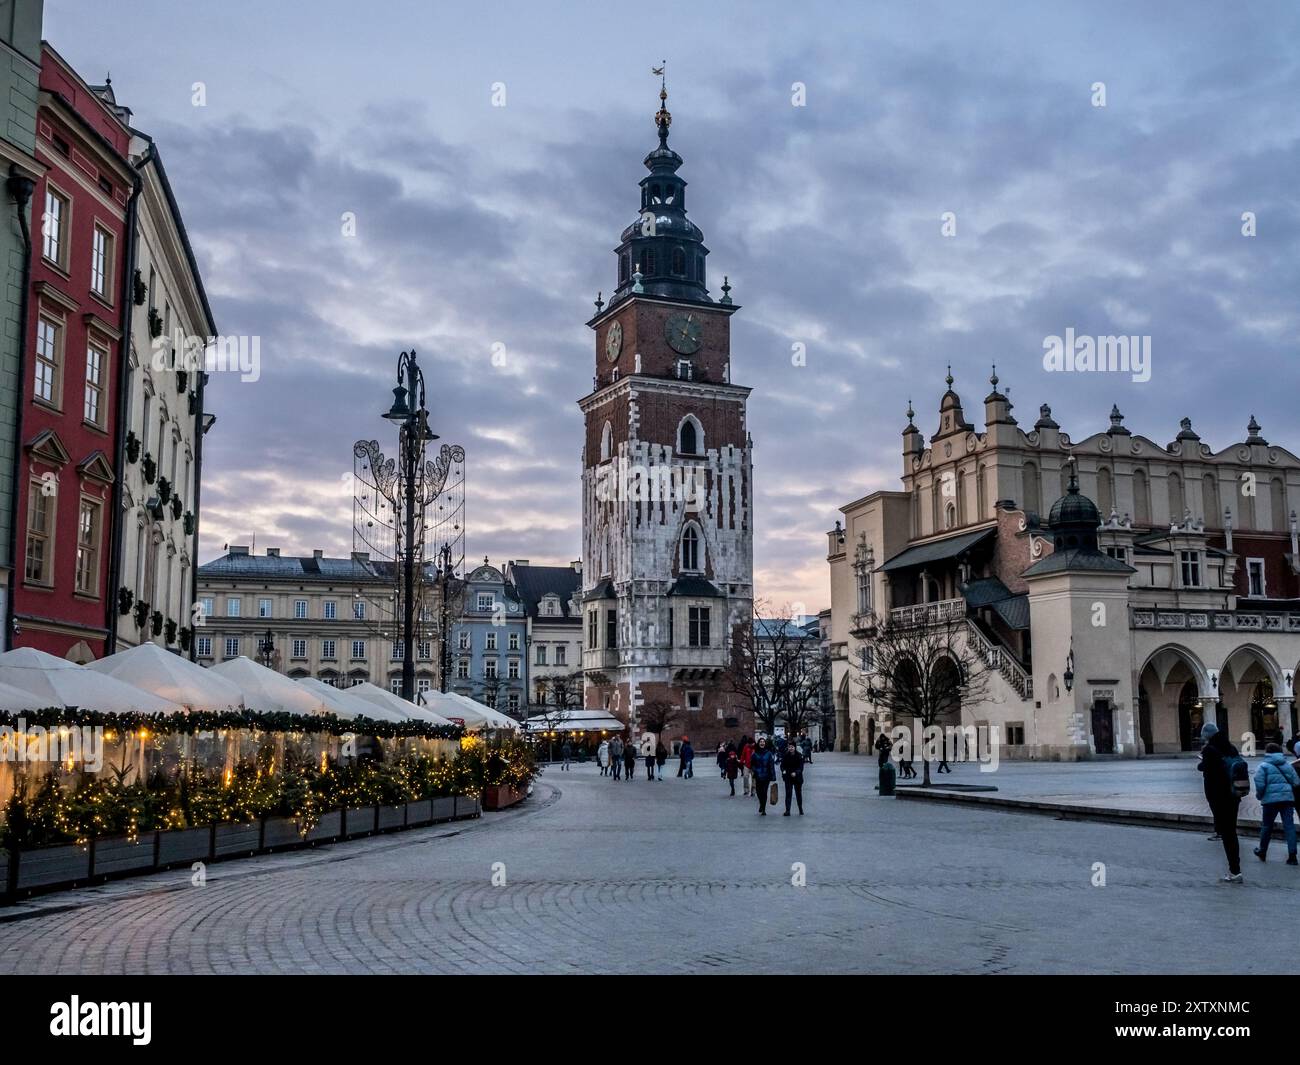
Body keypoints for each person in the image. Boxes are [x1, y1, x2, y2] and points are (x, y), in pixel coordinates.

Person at [1198, 721, 1243, 882]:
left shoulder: (1210, 750)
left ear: (1207, 736)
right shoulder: (1230, 747)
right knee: (1231, 832)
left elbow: (1206, 768)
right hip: (1233, 795)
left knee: (1227, 834)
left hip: (1219, 796)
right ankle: (1235, 869)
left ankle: (1235, 871)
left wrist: (1202, 761)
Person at [1253, 742, 1299, 865]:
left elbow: (1259, 783)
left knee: (1267, 826)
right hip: (1287, 800)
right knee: (1289, 827)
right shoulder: (1288, 766)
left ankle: (1262, 850)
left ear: (1267, 753)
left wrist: (1260, 795)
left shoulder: (1263, 766)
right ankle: (1292, 855)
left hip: (1269, 801)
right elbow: (1296, 782)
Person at [751, 737, 777, 816]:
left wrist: (773, 776)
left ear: (765, 744)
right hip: (758, 775)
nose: (762, 743)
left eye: (763, 742)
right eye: (760, 742)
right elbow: (752, 764)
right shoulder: (755, 754)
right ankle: (761, 804)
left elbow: (771, 765)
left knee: (764, 792)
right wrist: (755, 770)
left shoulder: (768, 754)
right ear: (758, 744)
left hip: (766, 775)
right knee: (759, 792)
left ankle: (763, 809)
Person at [781, 740, 805, 816]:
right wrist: (783, 770)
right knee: (788, 794)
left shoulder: (799, 756)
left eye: (792, 747)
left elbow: (801, 767)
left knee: (798, 794)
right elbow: (782, 765)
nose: (790, 748)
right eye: (789, 747)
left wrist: (796, 772)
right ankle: (787, 810)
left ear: (795, 747)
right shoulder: (785, 755)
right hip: (788, 777)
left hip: (797, 778)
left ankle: (800, 808)